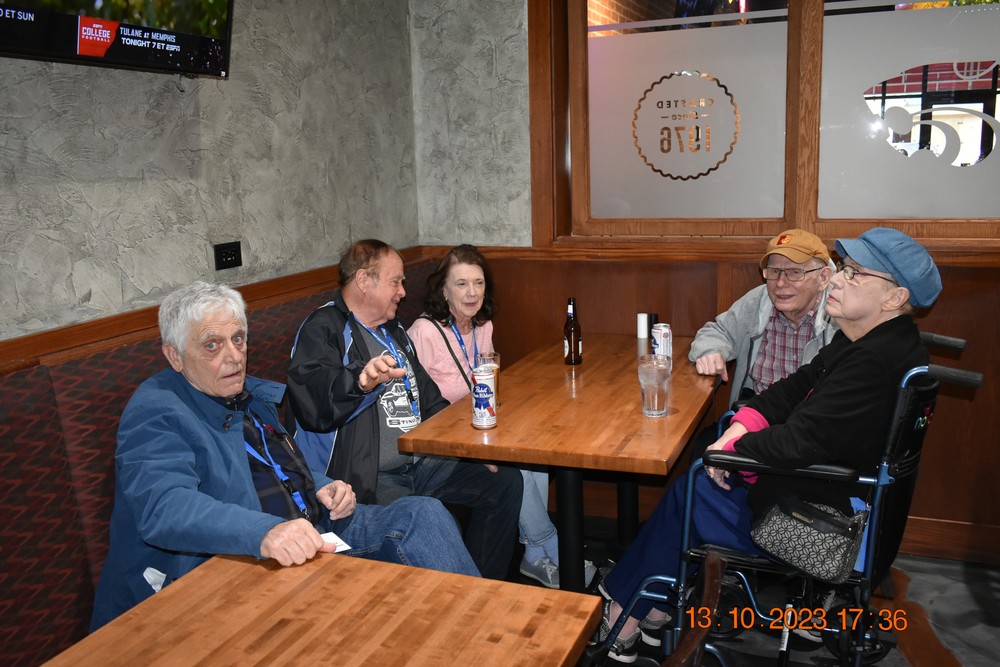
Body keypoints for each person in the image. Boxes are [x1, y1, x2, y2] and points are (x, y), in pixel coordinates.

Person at [592, 228, 942, 663]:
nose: (836, 279)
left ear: (894, 298)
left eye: (854, 274)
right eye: (843, 269)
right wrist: (737, 432)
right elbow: (790, 391)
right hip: (824, 496)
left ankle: (626, 616)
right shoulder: (866, 341)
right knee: (702, 477)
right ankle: (652, 610)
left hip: (826, 527)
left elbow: (798, 441)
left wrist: (733, 454)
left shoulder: (873, 362)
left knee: (694, 489)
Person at [91, 281, 479, 631]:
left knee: (421, 514)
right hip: (234, 563)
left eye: (238, 339)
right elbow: (165, 508)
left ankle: (482, 631)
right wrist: (264, 533)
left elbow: (273, 464)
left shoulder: (243, 393)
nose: (234, 356)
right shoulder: (156, 411)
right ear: (174, 356)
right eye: (212, 345)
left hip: (315, 529)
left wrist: (323, 485)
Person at [286, 239, 523, 580]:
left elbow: (430, 400)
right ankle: (473, 597)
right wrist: (359, 382)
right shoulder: (324, 329)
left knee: (504, 482)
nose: (402, 292)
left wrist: (466, 445)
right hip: (368, 478)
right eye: (395, 282)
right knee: (427, 514)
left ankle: (485, 585)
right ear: (364, 281)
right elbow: (312, 405)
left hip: (420, 461)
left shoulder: (393, 330)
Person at [408, 245, 594, 589]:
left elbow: (487, 386)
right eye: (461, 284)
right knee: (515, 467)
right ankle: (551, 546)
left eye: (478, 283)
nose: (472, 292)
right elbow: (415, 407)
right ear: (443, 290)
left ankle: (534, 555)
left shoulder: (483, 326)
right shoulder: (424, 332)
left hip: (480, 426)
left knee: (534, 455)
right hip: (439, 443)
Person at [689, 228, 838, 409]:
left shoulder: (842, 313)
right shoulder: (759, 301)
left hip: (814, 418)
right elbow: (717, 331)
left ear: (823, 278)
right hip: (755, 414)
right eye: (774, 271)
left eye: (794, 272)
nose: (781, 283)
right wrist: (710, 350)